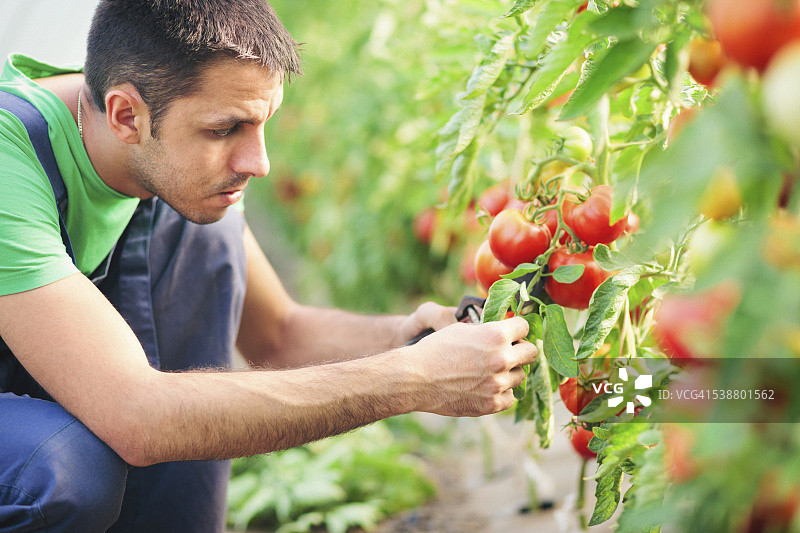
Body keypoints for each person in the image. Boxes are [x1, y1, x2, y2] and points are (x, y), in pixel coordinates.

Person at [0, 0, 537, 531]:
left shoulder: (158, 151)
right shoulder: (10, 160)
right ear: (126, 115)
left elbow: (278, 334)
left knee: (208, 230)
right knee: (60, 472)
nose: (259, 163)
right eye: (225, 129)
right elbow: (138, 416)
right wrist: (414, 379)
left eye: (262, 124)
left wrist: (409, 337)